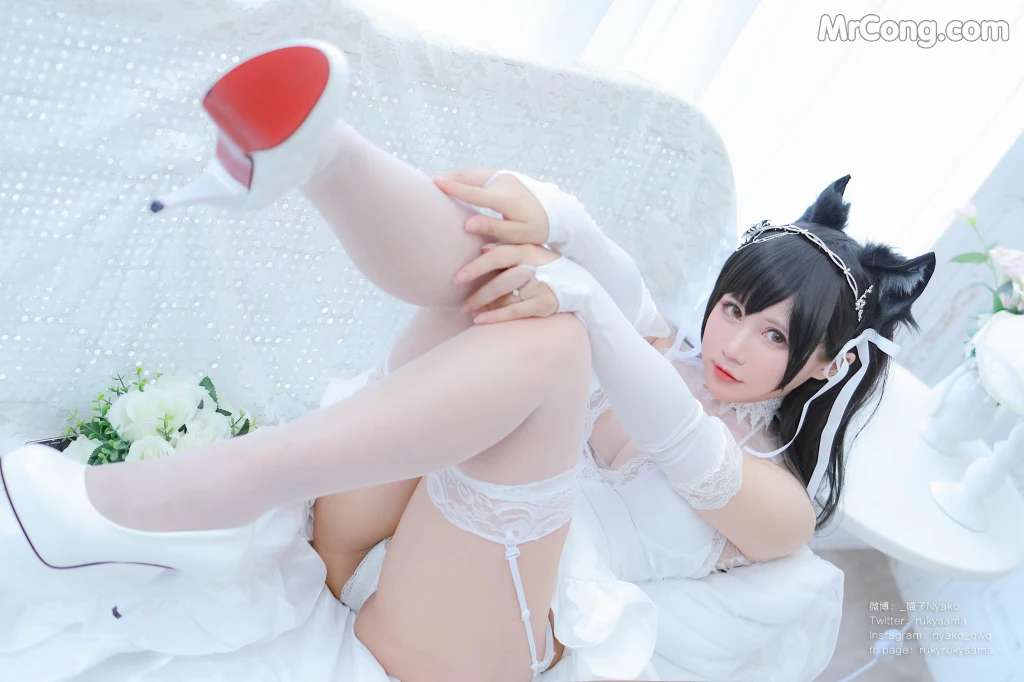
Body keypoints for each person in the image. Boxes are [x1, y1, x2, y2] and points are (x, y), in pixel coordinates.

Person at [0, 38, 936, 681]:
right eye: (733, 308)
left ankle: (181, 495)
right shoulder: (671, 350)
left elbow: (681, 438)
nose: (731, 343)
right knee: (516, 277)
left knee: (558, 336)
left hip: (468, 641)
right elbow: (602, 268)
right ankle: (321, 154)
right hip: (364, 538)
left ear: (822, 368)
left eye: (773, 336)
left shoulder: (779, 508)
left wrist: (580, 293)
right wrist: (555, 217)